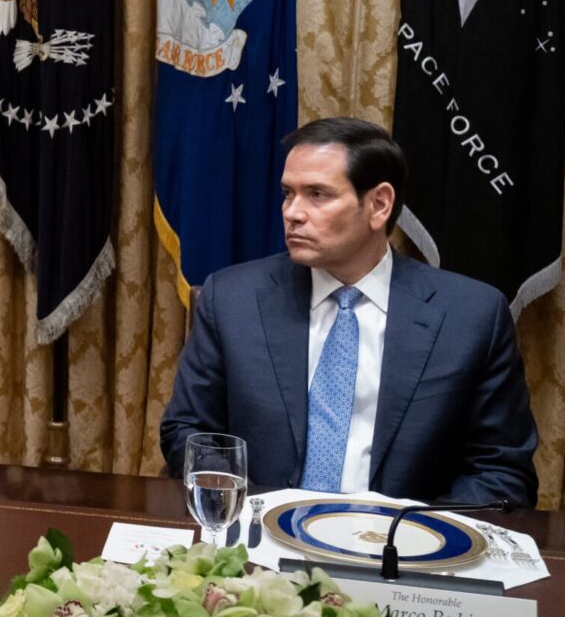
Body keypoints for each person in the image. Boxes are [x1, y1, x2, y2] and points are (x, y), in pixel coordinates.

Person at [161, 117, 537, 505]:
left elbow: (501, 471)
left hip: (402, 551)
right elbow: (188, 432)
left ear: (379, 205)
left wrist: (411, 537)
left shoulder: (471, 316)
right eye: (288, 194)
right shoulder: (232, 299)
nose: (292, 212)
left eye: (318, 195)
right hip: (259, 544)